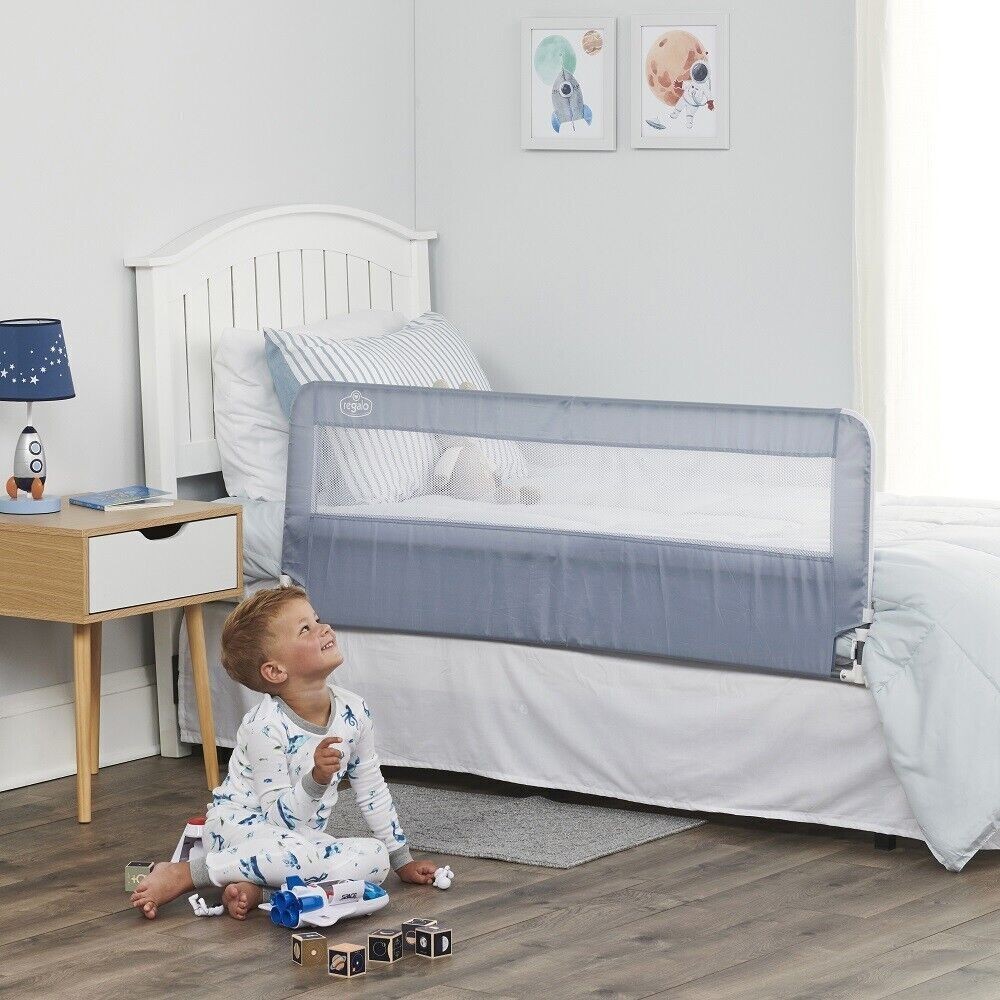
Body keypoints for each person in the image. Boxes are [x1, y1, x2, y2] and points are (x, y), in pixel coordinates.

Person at [130, 585, 439, 919]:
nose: (324, 628)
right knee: (295, 853)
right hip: (240, 830)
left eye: (317, 619)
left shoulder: (355, 711)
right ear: (276, 671)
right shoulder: (264, 727)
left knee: (374, 859)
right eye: (305, 629)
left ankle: (261, 890)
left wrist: (400, 858)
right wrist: (316, 779)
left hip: (299, 840)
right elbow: (277, 819)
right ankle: (188, 874)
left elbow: (372, 788)